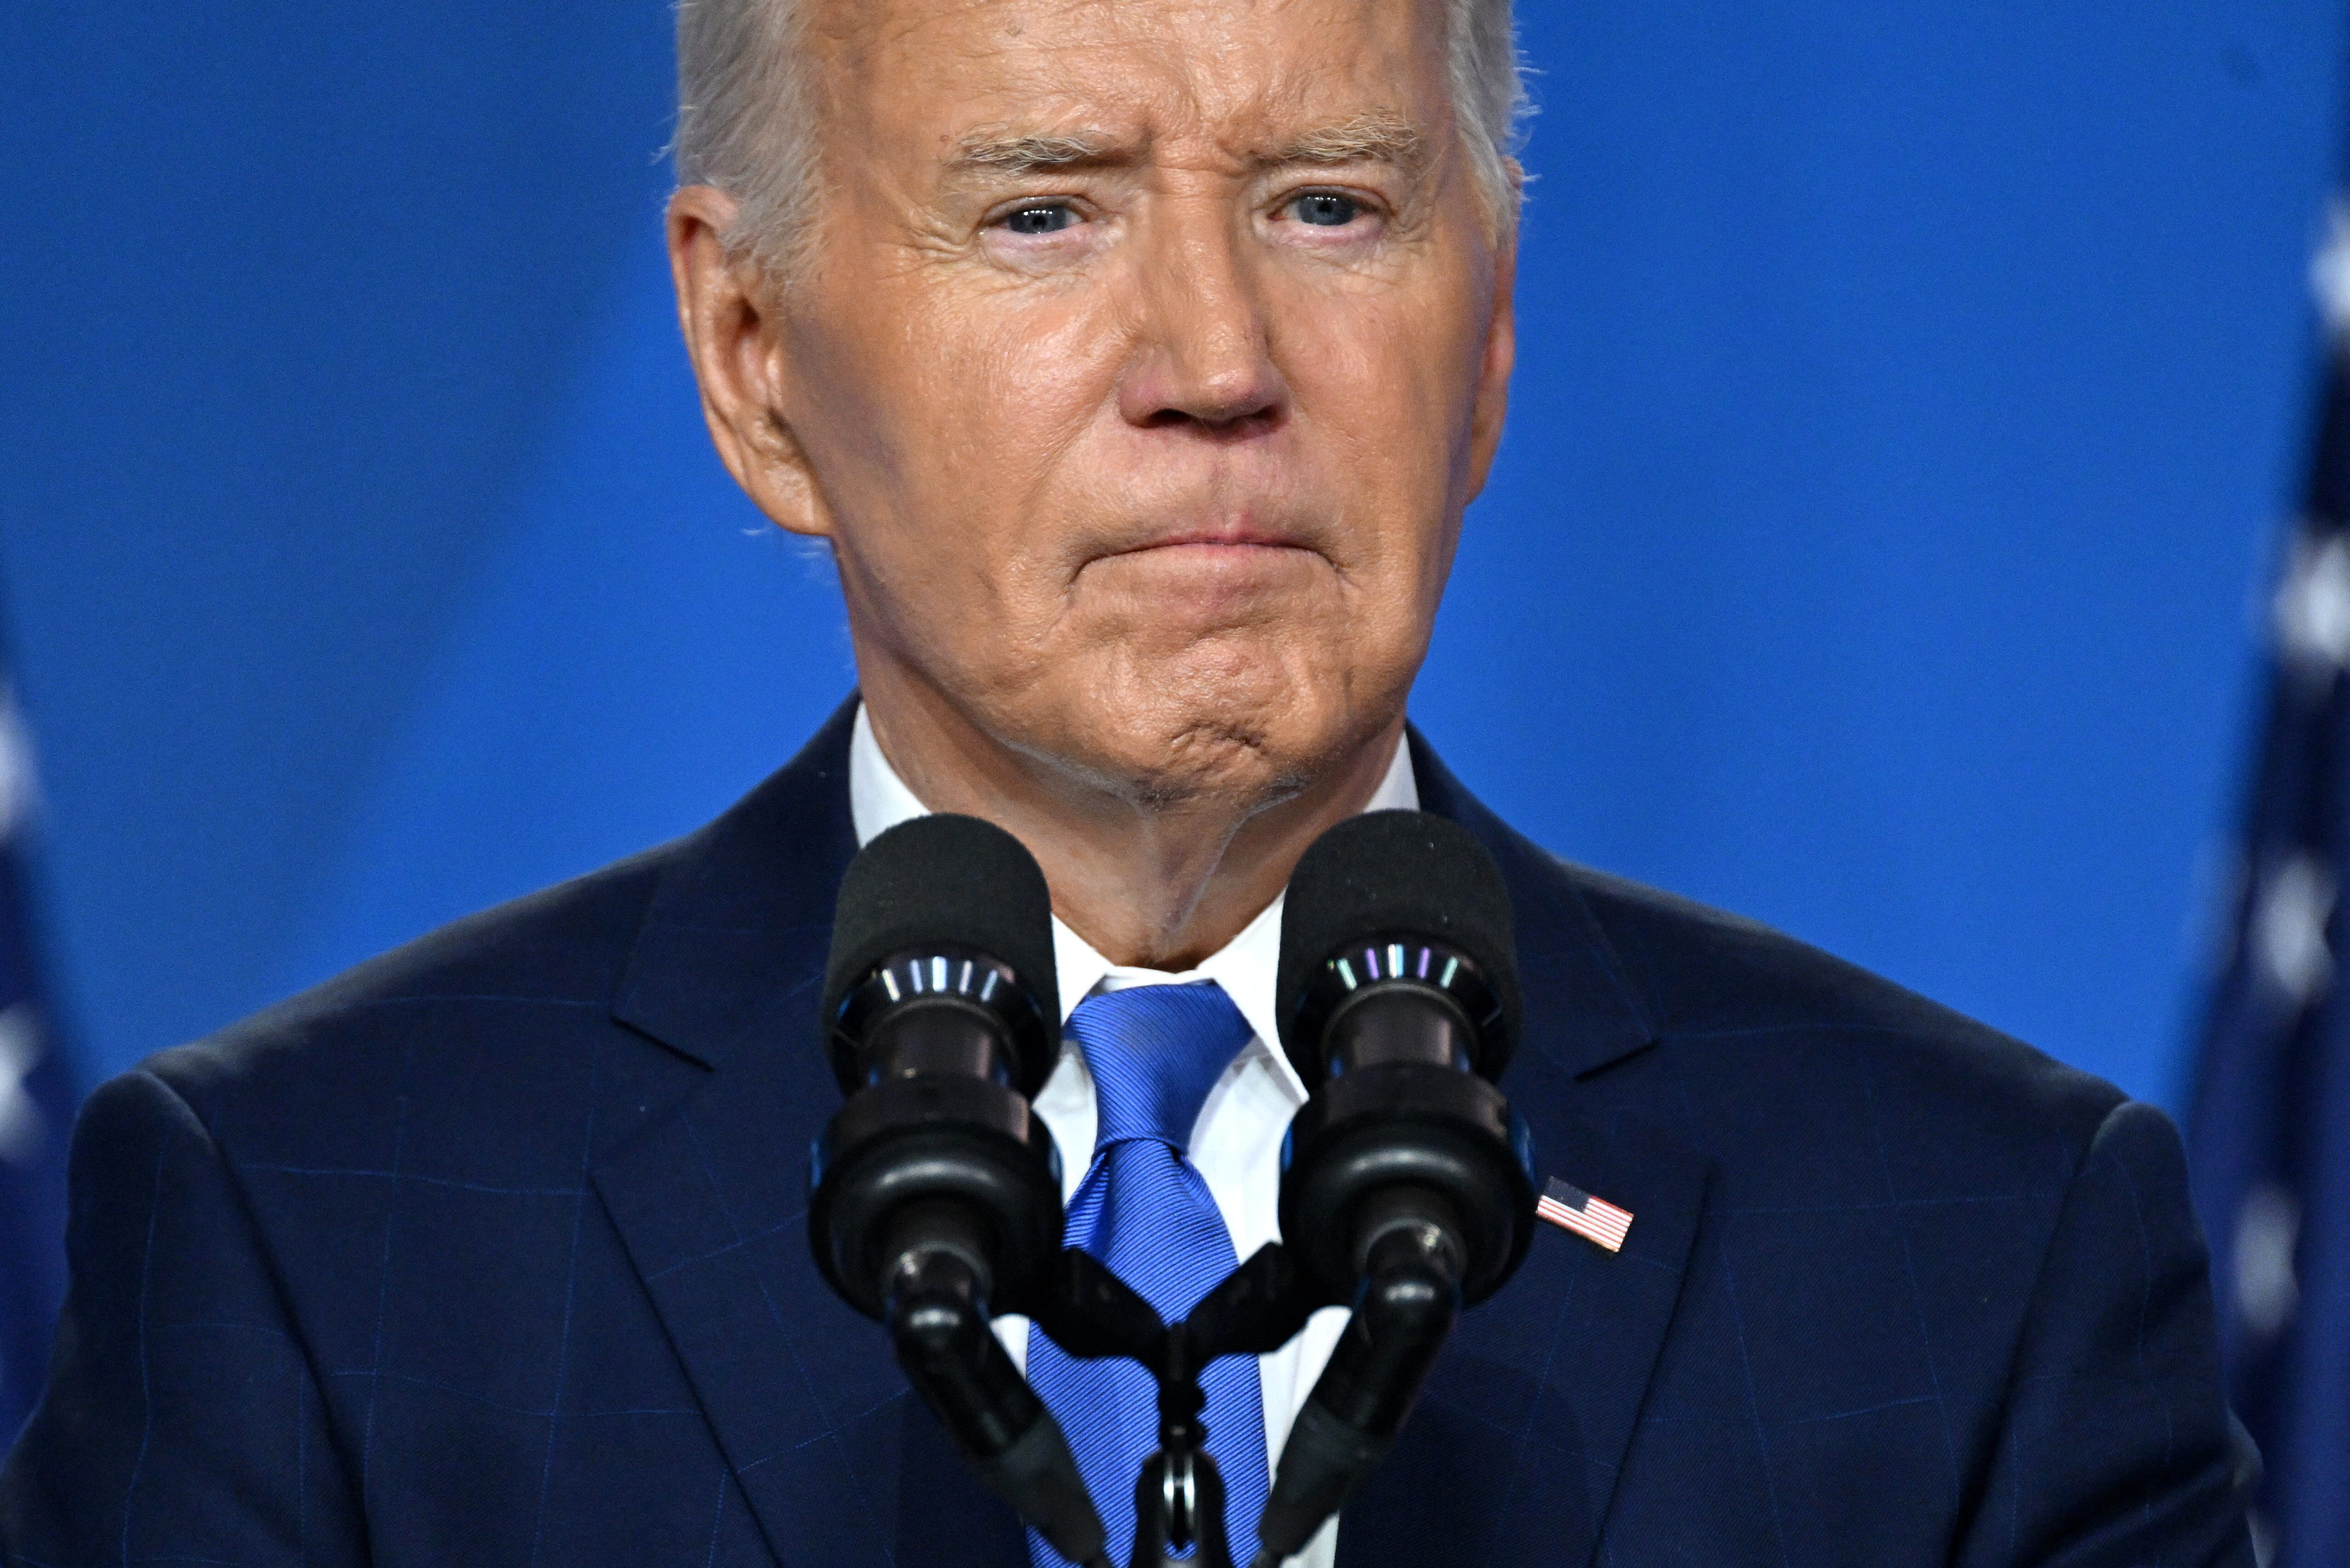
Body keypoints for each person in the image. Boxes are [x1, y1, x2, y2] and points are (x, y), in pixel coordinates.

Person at [0, 0, 2257, 1562]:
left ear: (1486, 342)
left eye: (1329, 205)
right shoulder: (318, 1236)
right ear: (752, 355)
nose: (1215, 362)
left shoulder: (1979, 1262)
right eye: (1044, 210)